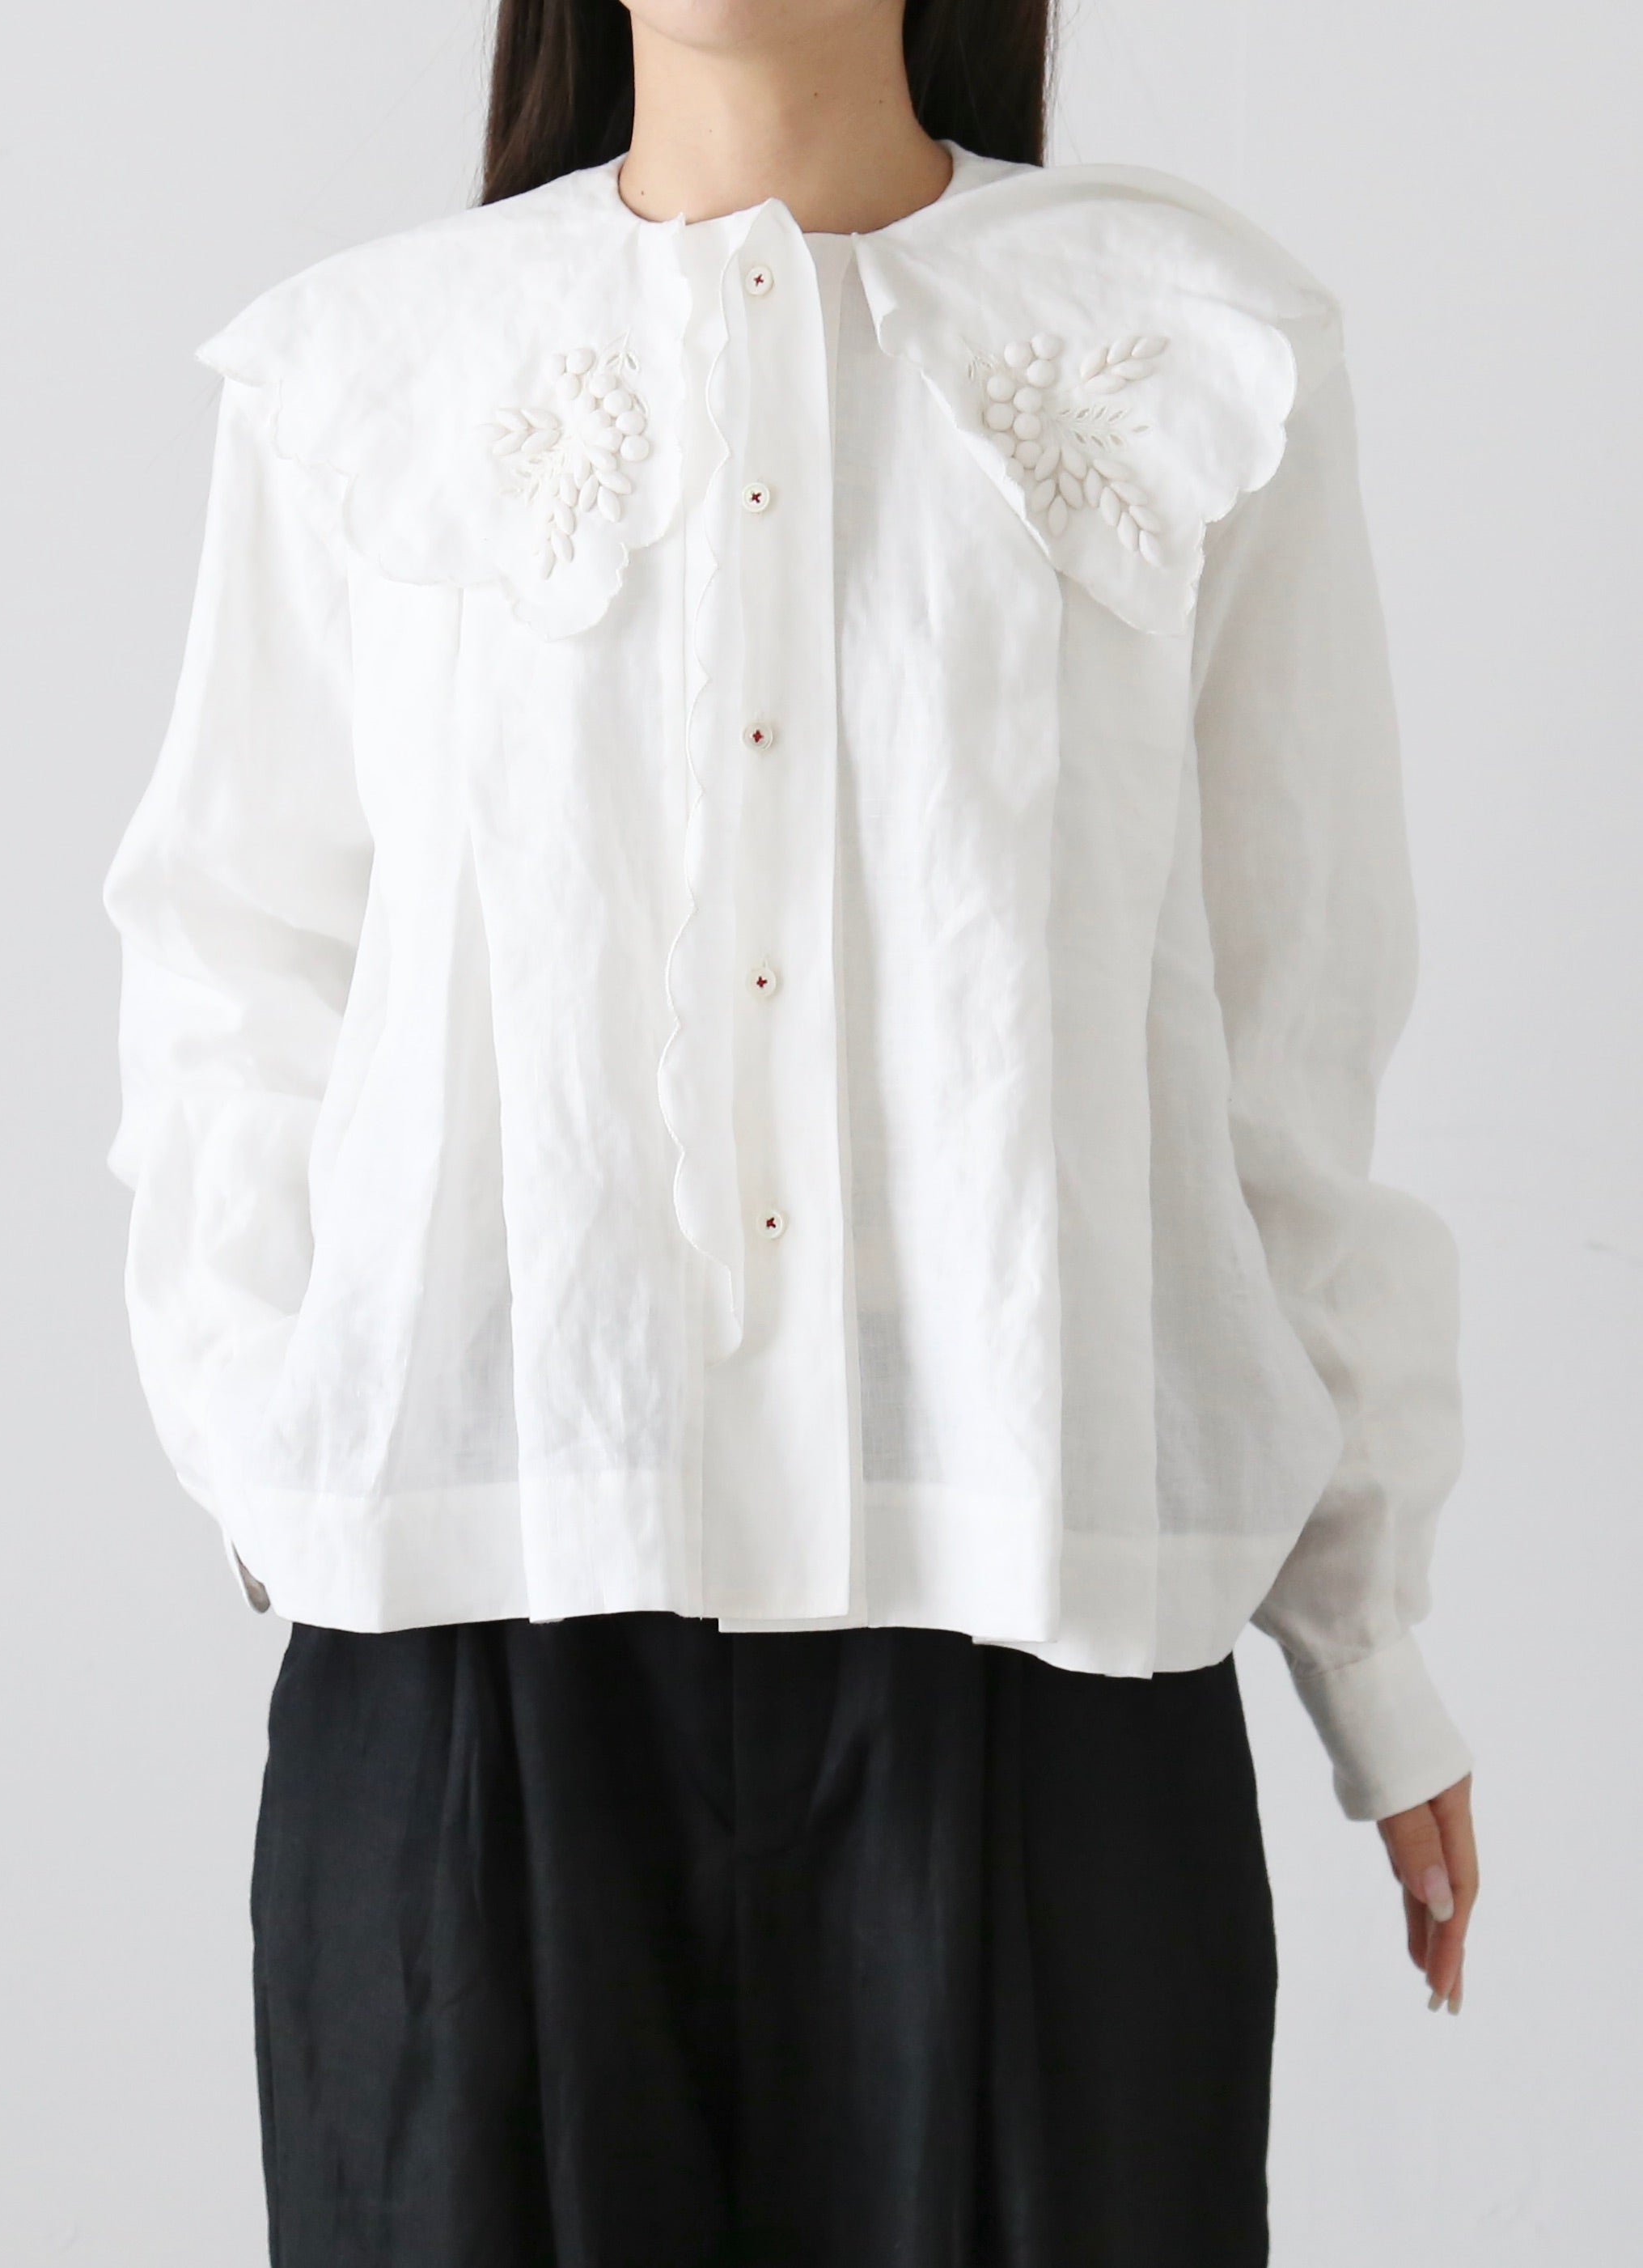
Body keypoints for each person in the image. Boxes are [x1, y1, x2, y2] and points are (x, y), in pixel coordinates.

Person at [104, 1, 1480, 2261]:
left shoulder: (1187, 347)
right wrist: (286, 1457)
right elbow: (234, 974)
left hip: (1034, 1626)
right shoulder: (371, 378)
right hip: (481, 1659)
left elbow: (1286, 1041)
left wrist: (1369, 1635)